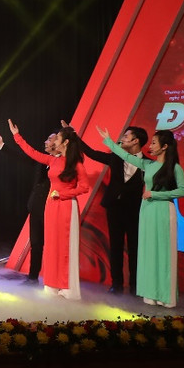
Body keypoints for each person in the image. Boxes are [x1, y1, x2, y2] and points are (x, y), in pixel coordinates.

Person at [98, 126, 184, 308]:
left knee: (163, 252)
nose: (150, 146)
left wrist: (156, 194)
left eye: (154, 143)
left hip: (163, 210)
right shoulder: (148, 165)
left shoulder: (174, 168)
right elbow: (125, 156)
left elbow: (183, 190)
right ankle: (150, 292)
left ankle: (164, 294)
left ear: (164, 147)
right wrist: (108, 141)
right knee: (148, 251)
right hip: (146, 211)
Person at [10, 120, 90, 299]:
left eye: (58, 139)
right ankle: (52, 285)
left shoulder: (76, 164)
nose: (54, 142)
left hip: (66, 206)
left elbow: (84, 187)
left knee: (65, 246)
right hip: (51, 206)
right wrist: (17, 136)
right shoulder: (53, 160)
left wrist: (63, 193)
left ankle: (67, 287)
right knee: (52, 245)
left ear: (65, 142)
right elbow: (31, 152)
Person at [74, 123, 147, 295]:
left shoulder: (147, 163)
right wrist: (74, 136)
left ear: (136, 141)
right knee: (115, 245)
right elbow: (91, 153)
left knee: (135, 247)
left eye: (126, 136)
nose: (122, 139)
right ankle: (117, 283)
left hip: (134, 210)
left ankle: (136, 285)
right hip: (114, 207)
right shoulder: (116, 157)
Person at [0, 127, 56, 283]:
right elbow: (23, 158)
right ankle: (33, 278)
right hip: (36, 207)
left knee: (52, 245)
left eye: (50, 139)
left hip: (52, 209)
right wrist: (2, 145)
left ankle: (53, 280)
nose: (46, 142)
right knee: (36, 244)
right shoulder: (43, 160)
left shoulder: (62, 162)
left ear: (59, 143)